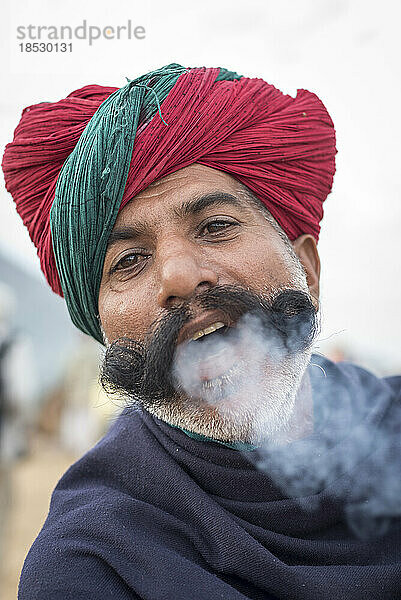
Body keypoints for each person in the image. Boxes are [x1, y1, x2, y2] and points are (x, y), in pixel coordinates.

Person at [2, 64, 400, 600]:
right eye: (130, 261)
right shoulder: (93, 562)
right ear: (105, 331)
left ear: (306, 269)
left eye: (215, 227)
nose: (179, 276)